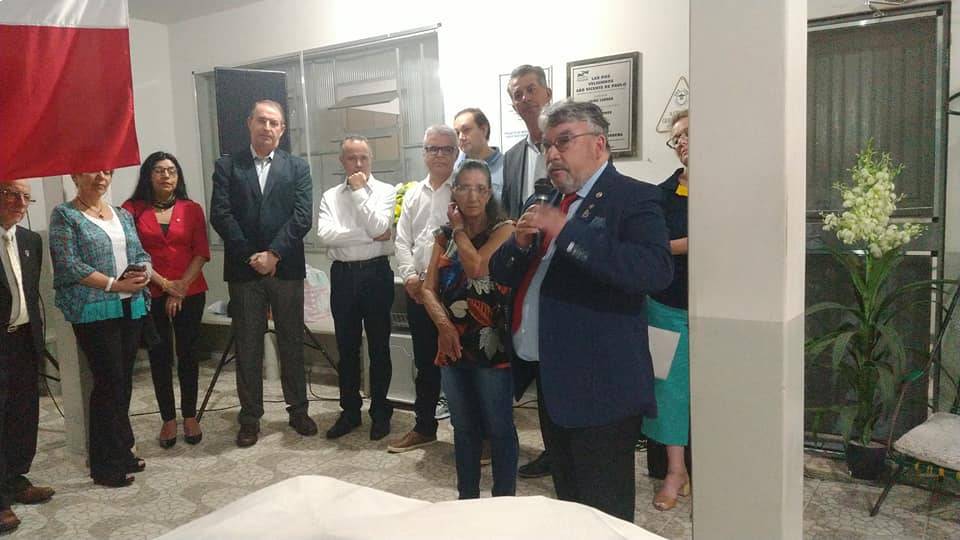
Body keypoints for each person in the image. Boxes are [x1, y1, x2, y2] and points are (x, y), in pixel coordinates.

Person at [490, 100, 673, 522]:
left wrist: (568, 231)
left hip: (602, 387)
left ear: (599, 144)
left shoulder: (633, 197)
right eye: (547, 145)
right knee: (571, 506)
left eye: (564, 141)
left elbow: (653, 271)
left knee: (603, 512)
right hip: (553, 380)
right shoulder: (547, 201)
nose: (552, 153)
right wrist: (518, 243)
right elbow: (502, 273)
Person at [210, 99, 317, 447]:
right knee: (248, 346)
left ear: (282, 130)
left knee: (291, 342)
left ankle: (298, 410)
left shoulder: (297, 167)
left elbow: (302, 216)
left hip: (285, 268)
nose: (267, 127)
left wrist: (273, 254)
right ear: (249, 123)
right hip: (244, 271)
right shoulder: (227, 166)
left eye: (274, 123)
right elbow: (221, 214)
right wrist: (251, 256)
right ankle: (250, 417)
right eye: (262, 121)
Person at [49, 169, 153, 487]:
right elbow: (69, 264)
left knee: (123, 382)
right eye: (93, 171)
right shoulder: (65, 215)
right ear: (75, 176)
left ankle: (122, 449)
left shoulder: (122, 214)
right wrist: (113, 284)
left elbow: (139, 252)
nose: (101, 177)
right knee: (108, 383)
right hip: (94, 309)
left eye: (107, 172)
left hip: (130, 306)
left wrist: (144, 272)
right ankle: (104, 465)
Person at [420, 159, 518, 499]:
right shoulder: (442, 235)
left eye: (480, 189)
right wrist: (444, 326)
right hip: (452, 343)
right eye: (465, 188)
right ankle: (467, 500)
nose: (473, 196)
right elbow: (427, 289)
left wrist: (460, 230)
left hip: (491, 345)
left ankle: (503, 501)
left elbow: (476, 267)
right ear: (454, 192)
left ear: (489, 193)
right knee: (462, 428)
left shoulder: (505, 229)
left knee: (498, 427)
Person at [122, 151, 210, 448]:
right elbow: (133, 253)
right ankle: (168, 419)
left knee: (188, 354)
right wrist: (166, 285)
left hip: (191, 290)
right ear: (148, 175)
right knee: (159, 356)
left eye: (172, 170)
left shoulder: (192, 208)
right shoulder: (132, 210)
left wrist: (180, 287)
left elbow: (201, 251)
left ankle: (190, 416)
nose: (166, 176)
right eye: (159, 170)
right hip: (152, 292)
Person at [317, 136, 396, 441]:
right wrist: (368, 235)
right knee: (346, 348)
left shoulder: (387, 192)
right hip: (343, 276)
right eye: (352, 158)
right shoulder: (330, 196)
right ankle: (350, 412)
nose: (358, 163)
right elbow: (326, 236)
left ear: (371, 159)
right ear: (342, 161)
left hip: (376, 274)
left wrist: (361, 192)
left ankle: (380, 412)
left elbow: (381, 229)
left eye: (364, 157)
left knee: (379, 347)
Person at [388, 125, 457, 453]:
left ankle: (470, 432)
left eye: (446, 149)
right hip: (417, 291)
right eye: (433, 148)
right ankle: (424, 427)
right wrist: (410, 278)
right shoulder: (413, 193)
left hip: (455, 291)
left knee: (461, 363)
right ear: (424, 153)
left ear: (456, 153)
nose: (439, 154)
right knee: (426, 362)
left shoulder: (464, 190)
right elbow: (402, 239)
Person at [500, 64, 554, 479]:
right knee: (526, 359)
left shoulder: (563, 142)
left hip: (560, 267)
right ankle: (543, 448)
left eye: (530, 90)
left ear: (547, 92)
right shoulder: (514, 155)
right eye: (516, 94)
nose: (524, 99)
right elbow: (507, 213)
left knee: (556, 366)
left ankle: (559, 449)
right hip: (524, 271)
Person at [643, 110, 692, 511]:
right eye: (677, 137)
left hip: (722, 311)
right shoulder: (661, 194)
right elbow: (653, 246)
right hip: (666, 304)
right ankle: (675, 472)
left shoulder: (730, 189)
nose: (682, 142)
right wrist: (695, 242)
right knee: (668, 390)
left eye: (690, 133)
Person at [0, 180, 54, 533]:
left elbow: (30, 295)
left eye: (26, 197)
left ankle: (15, 478)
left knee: (23, 414)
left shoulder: (31, 241)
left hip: (23, 340)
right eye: (11, 194)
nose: (20, 202)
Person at [453, 108, 504, 201]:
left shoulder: (507, 166)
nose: (460, 137)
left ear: (484, 130)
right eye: (457, 133)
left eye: (466, 130)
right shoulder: (455, 168)